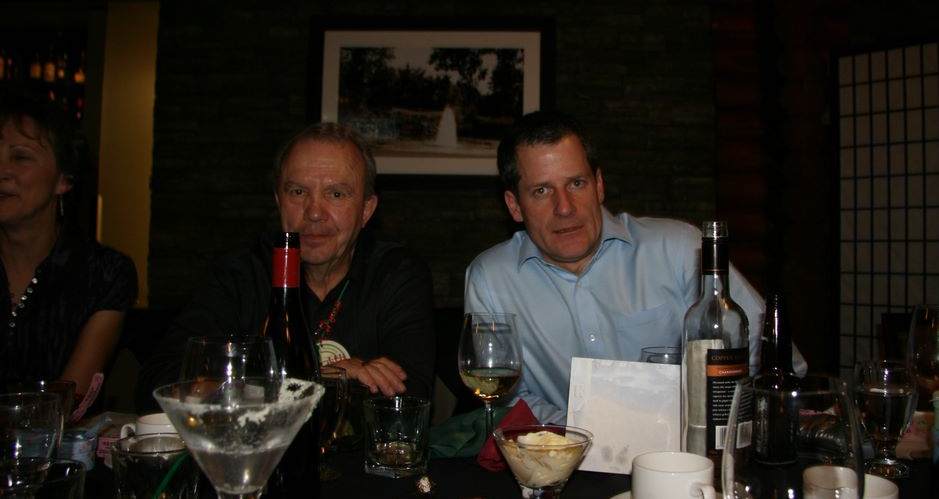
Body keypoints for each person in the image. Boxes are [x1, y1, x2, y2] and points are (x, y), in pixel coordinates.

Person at [464, 110, 805, 424]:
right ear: (515, 206)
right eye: (541, 190)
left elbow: (773, 356)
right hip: (567, 459)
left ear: (599, 185)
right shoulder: (491, 279)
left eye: (576, 183)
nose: (564, 207)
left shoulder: (680, 250)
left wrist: (716, 419)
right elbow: (506, 401)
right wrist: (584, 431)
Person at [139, 122, 435, 407]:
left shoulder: (397, 273)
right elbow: (160, 383)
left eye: (336, 194)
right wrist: (333, 377)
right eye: (298, 192)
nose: (314, 212)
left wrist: (249, 386)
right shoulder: (239, 275)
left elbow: (410, 397)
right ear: (279, 201)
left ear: (366, 210)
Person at [0, 90, 138, 402]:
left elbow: (64, 401)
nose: (2, 170)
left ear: (64, 179)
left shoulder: (103, 274)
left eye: (19, 157)